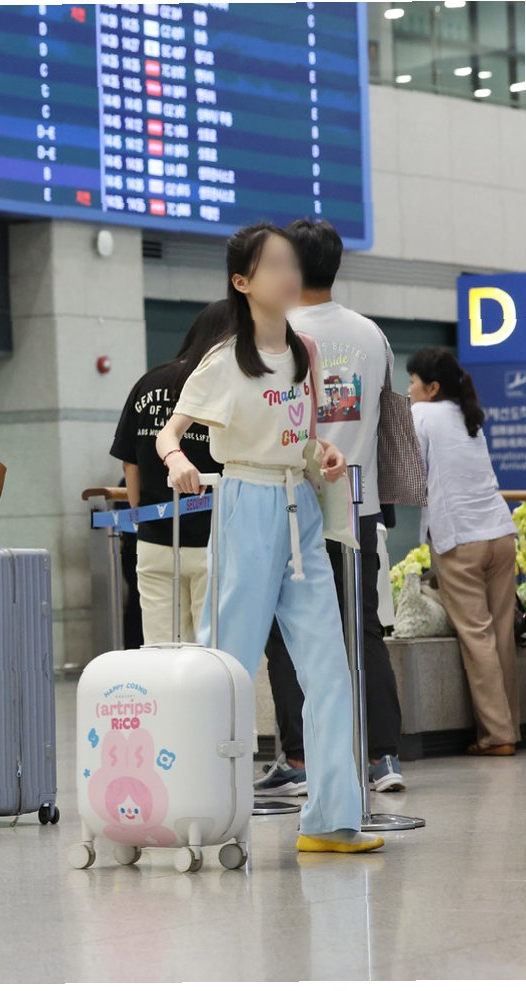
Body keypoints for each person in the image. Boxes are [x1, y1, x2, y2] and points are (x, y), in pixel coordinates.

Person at [158, 222, 383, 855]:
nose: (289, 275)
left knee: (330, 669)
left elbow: (302, 437)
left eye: (291, 263)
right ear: (242, 282)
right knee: (226, 666)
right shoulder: (224, 360)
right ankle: (202, 812)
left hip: (300, 508)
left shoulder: (307, 351)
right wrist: (176, 460)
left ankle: (331, 819)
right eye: (273, 265)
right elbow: (170, 431)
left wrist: (323, 454)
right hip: (246, 505)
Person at [256, 219, 406, 798]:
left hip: (292, 505)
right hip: (358, 504)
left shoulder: (276, 330)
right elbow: (390, 418)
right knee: (361, 627)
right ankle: (382, 755)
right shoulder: (372, 335)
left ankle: (299, 758)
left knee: (287, 630)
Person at [409, 347, 521, 756]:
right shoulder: (467, 414)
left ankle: (497, 736)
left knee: (477, 636)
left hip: (460, 538)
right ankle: (511, 727)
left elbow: (411, 473)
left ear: (432, 387)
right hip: (499, 534)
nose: (409, 388)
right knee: (501, 634)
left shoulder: (422, 414)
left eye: (413, 382)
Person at [111, 300, 228, 644]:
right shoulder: (219, 386)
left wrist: (141, 517)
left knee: (160, 648)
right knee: (212, 650)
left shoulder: (148, 382)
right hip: (212, 540)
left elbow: (129, 462)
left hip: (153, 540)